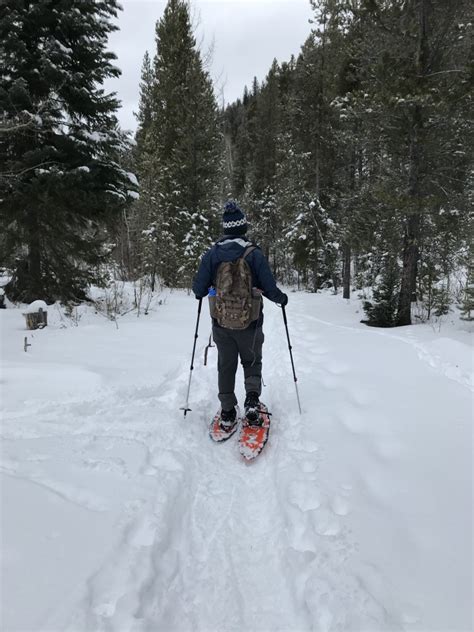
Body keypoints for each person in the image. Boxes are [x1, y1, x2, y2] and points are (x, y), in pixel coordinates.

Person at [192, 200, 288, 434]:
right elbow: (270, 287)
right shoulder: (254, 254)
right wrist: (281, 299)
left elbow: (198, 290)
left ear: (226, 228)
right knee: (252, 361)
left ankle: (227, 412)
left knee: (226, 365)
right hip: (251, 322)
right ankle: (252, 403)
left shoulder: (212, 254)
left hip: (221, 323)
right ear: (243, 227)